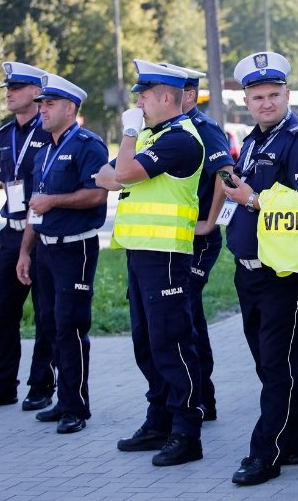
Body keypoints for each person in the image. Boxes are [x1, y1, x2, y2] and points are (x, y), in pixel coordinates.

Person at [221, 51, 298, 486]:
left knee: (278, 365)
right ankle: (294, 440)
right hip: (250, 272)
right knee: (270, 365)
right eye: (257, 96)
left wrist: (250, 198)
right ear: (246, 100)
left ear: (287, 94)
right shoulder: (253, 140)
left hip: (284, 273)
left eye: (273, 95)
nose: (266, 103)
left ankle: (265, 453)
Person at [95, 59, 205, 467]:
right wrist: (123, 167)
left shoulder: (179, 139)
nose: (138, 102)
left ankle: (186, 431)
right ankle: (159, 419)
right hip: (142, 254)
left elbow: (119, 172)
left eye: (143, 95)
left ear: (165, 97)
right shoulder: (154, 136)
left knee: (172, 343)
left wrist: (127, 136)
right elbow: (105, 177)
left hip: (168, 258)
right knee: (146, 342)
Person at [15, 74, 108, 434]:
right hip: (46, 251)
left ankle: (76, 407)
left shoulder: (89, 145)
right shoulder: (45, 148)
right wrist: (25, 252)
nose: (42, 110)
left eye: (49, 104)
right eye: (40, 104)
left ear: (70, 108)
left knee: (71, 327)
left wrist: (53, 201)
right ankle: (62, 399)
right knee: (51, 326)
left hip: (76, 248)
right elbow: (34, 207)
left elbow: (97, 195)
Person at [0, 62, 55, 412]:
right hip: (12, 232)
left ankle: (41, 385)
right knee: (1, 311)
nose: (8, 93)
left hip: (43, 234)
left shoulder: (48, 131)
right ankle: (2, 383)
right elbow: (9, 183)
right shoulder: (5, 134)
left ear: (36, 93)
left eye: (16, 87)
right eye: (8, 87)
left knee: (46, 313)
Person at [163, 62, 233, 421]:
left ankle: (202, 399)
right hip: (173, 239)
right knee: (185, 317)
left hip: (199, 241)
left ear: (188, 95)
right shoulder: (166, 129)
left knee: (188, 317)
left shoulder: (205, 128)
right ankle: (198, 398)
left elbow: (226, 174)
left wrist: (211, 221)